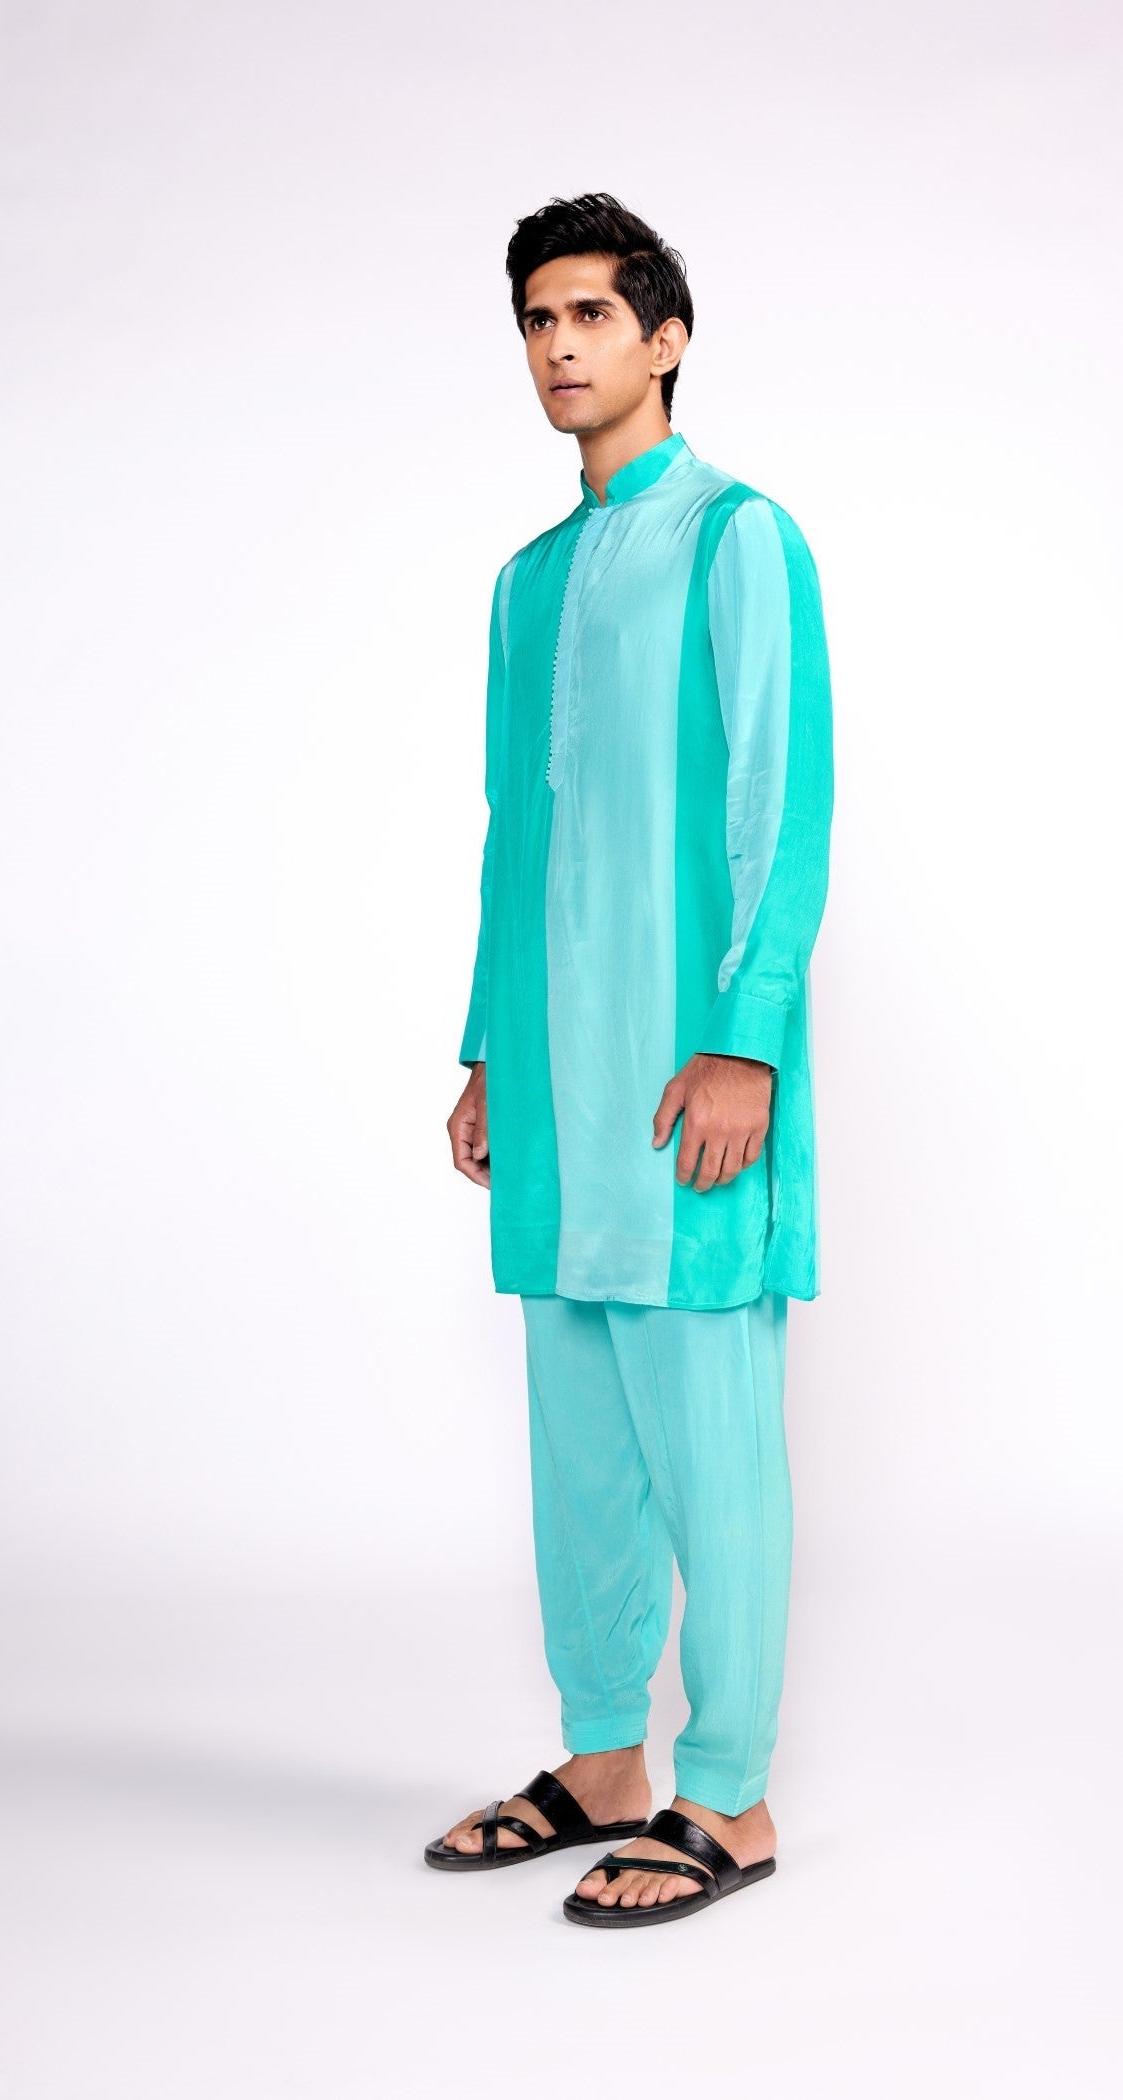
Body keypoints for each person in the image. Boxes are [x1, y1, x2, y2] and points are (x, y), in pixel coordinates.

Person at [428, 193, 834, 1928]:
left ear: (663, 338)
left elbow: (782, 800)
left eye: (589, 313)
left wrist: (743, 1040)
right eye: (536, 319)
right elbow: (508, 836)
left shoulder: (740, 537)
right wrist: (483, 1053)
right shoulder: (525, 583)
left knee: (710, 1433)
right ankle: (604, 1760)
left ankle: (725, 1792)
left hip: (686, 1082)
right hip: (553, 1078)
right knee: (580, 1435)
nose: (558, 346)